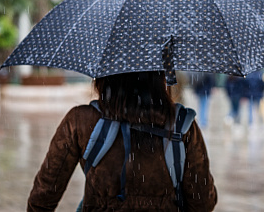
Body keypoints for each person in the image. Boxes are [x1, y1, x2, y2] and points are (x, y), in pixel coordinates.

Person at [27, 71, 217, 211]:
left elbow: (44, 196)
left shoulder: (80, 121)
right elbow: (203, 202)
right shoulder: (182, 125)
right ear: (159, 77)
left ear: (103, 75)